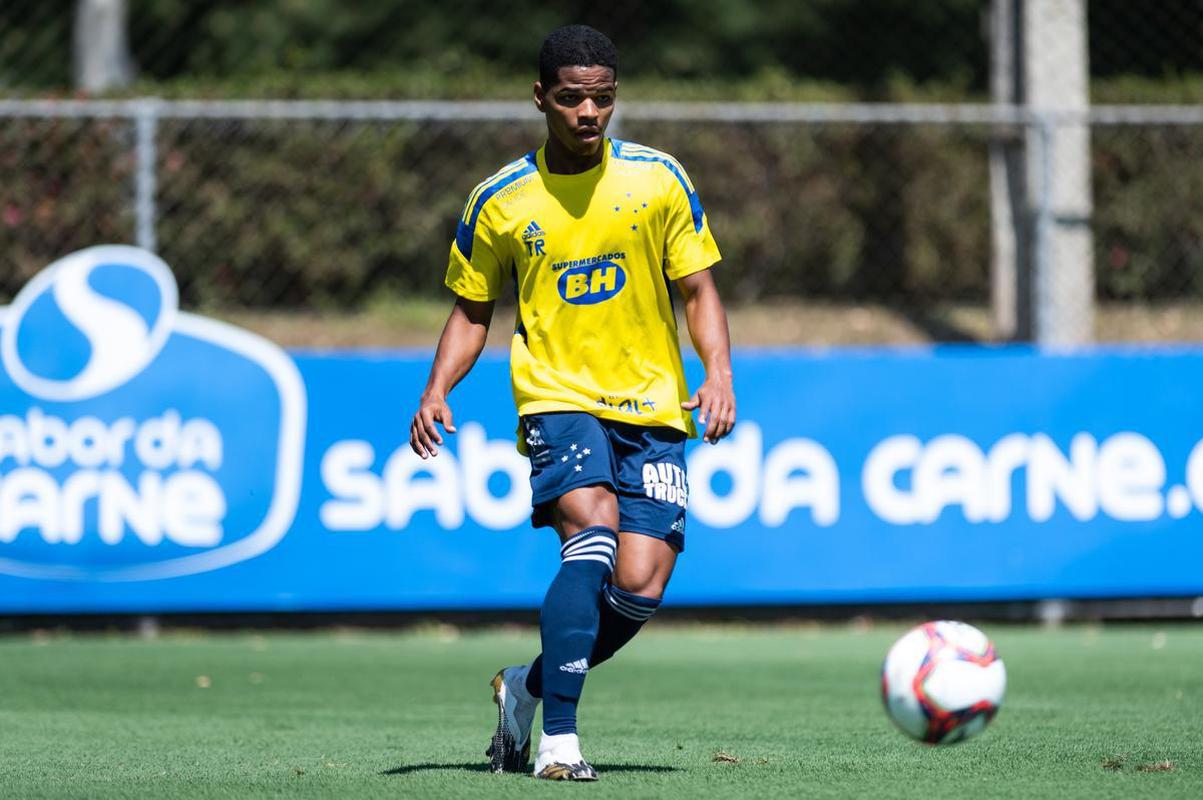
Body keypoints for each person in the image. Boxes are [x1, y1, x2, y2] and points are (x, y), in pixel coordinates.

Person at [409, 24, 735, 782]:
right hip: (556, 397)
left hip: (652, 405)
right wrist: (435, 388)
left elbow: (698, 289)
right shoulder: (499, 199)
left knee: (640, 583)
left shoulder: (658, 180)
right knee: (591, 531)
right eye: (570, 98)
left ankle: (524, 687)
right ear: (540, 98)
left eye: (601, 98)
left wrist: (716, 372)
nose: (588, 112)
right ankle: (559, 741)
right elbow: (470, 310)